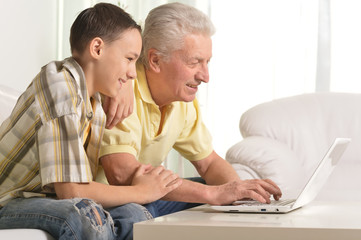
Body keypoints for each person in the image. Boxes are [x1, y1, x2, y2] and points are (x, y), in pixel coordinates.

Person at [0, 3, 181, 240]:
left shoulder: (92, 98)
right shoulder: (60, 88)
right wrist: (141, 191)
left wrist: (122, 85)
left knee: (134, 214)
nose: (132, 73)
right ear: (97, 48)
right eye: (129, 59)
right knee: (83, 214)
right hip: (8, 200)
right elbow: (71, 190)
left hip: (43, 200)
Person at [99, 2, 282, 219]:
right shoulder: (121, 89)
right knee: (137, 211)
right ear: (155, 60)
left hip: (150, 197)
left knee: (214, 189)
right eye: (195, 62)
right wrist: (212, 194)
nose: (205, 76)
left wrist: (241, 195)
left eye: (207, 62)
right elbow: (121, 174)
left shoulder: (181, 100)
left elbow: (209, 163)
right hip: (113, 202)